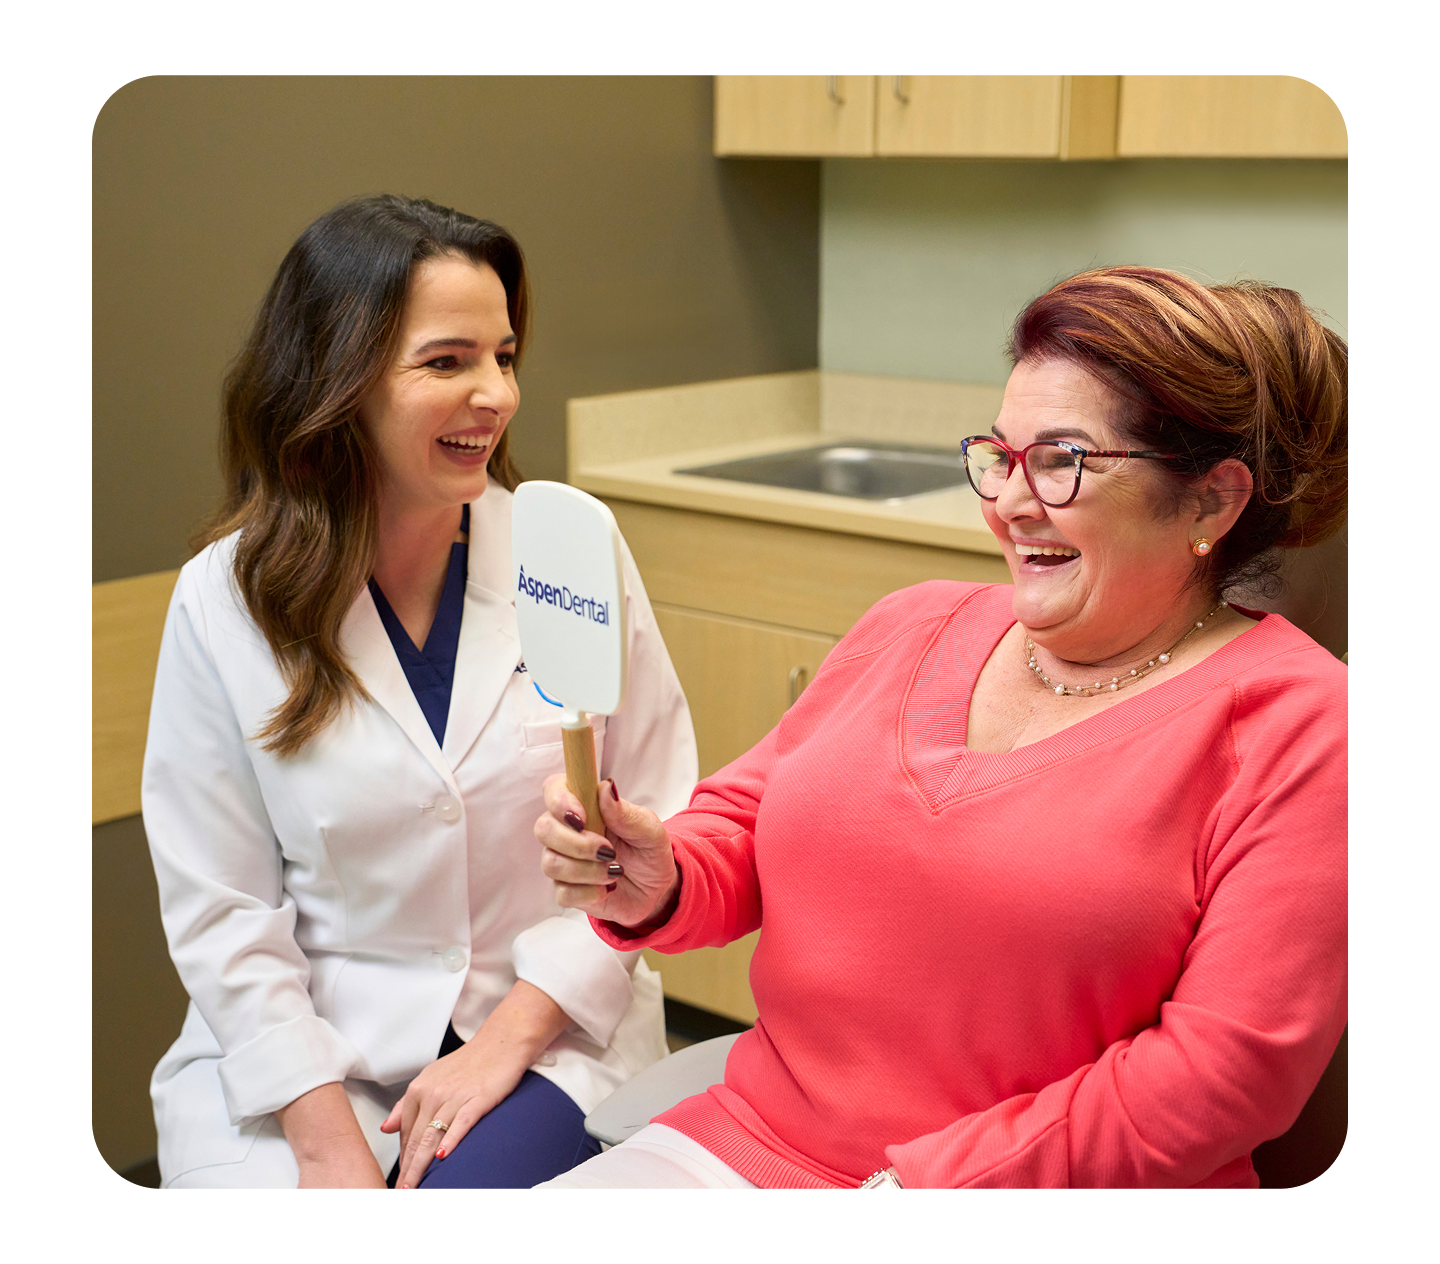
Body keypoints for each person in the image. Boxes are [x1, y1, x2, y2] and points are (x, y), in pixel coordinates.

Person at [533, 265, 1347, 1189]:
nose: (1007, 502)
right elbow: (745, 825)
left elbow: (1222, 1079)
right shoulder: (913, 623)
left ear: (1210, 499)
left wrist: (919, 1194)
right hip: (742, 1147)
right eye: (1002, 454)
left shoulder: (1303, 725)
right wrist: (664, 876)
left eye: (1062, 461)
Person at [142, 195, 698, 1189]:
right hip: (309, 1058)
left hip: (543, 1026)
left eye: (505, 355)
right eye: (447, 362)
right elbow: (223, 906)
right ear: (336, 384)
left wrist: (503, 1041)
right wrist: (324, 1141)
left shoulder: (566, 551)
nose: (496, 394)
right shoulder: (223, 602)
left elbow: (667, 816)